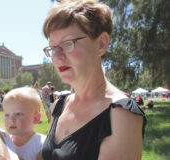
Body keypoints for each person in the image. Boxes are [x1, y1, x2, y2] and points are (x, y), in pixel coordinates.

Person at [41, 0, 147, 159]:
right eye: (53, 46)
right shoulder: (60, 105)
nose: (56, 56)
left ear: (101, 44)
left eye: (68, 43)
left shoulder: (121, 115)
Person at [2, 87, 46, 160]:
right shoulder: (6, 142)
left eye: (18, 114)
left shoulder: (41, 145)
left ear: (35, 118)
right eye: (7, 115)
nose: (11, 119)